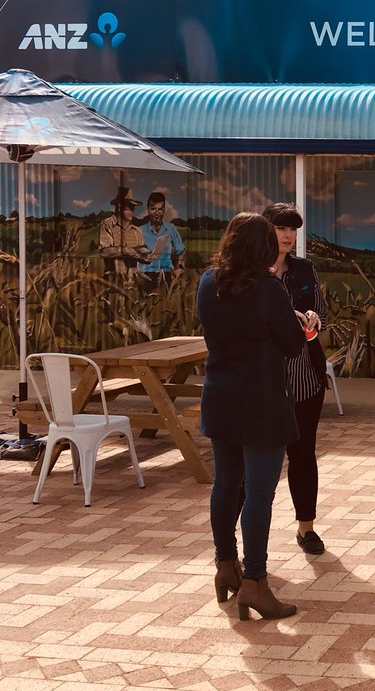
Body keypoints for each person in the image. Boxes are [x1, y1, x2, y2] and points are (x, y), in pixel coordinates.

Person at [198, 212, 307, 621]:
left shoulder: (209, 282)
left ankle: (225, 564)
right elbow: (293, 345)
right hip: (261, 400)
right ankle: (255, 583)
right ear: (262, 247)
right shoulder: (269, 289)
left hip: (220, 395)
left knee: (226, 483)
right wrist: (304, 325)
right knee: (260, 493)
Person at [263, 202, 329, 556]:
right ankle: (252, 541)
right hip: (266, 378)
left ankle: (307, 528)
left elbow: (319, 309)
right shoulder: (252, 272)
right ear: (265, 229)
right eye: (281, 227)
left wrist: (314, 319)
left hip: (305, 375)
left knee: (303, 453)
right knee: (262, 460)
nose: (289, 235)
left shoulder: (304, 269)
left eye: (293, 229)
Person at [98, 187, 151, 279]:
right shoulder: (107, 224)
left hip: (133, 281)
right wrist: (127, 250)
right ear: (119, 207)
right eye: (130, 207)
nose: (133, 211)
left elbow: (139, 253)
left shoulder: (137, 231)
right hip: (113, 280)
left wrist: (146, 258)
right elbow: (104, 251)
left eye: (133, 208)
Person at [138, 191, 186, 283]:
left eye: (160, 209)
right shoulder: (140, 230)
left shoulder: (170, 228)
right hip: (145, 275)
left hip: (167, 275)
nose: (157, 212)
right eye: (153, 209)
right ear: (148, 209)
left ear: (164, 210)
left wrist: (180, 266)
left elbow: (181, 250)